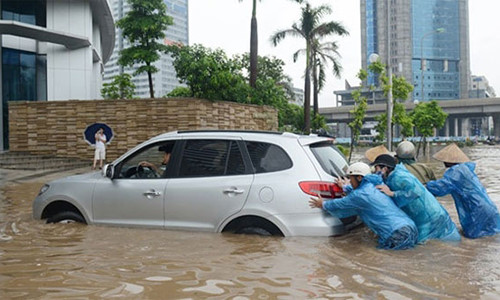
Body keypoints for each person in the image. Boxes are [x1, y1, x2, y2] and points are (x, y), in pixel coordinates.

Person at [309, 162, 418, 250]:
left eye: (351, 178)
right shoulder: (373, 185)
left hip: (395, 233)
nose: (350, 181)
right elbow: (362, 193)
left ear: (359, 178)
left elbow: (340, 203)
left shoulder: (360, 195)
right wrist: (345, 187)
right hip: (410, 227)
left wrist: (322, 204)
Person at [373, 154, 460, 243]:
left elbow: (416, 191)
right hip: (426, 216)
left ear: (385, 169)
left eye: (377, 168)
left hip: (429, 217)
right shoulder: (392, 176)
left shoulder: (400, 177)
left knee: (425, 246)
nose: (375, 171)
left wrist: (392, 193)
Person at [426, 143, 500, 239]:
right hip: (490, 210)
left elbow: (440, 188)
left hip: (477, 212)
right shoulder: (466, 169)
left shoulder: (455, 172)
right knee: (488, 242)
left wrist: (426, 185)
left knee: (473, 244)